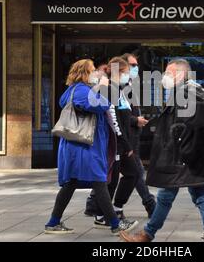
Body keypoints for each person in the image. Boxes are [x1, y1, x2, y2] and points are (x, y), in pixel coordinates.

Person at [120, 59, 204, 242]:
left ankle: (147, 234)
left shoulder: (184, 95)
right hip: (187, 157)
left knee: (166, 196)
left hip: (179, 158)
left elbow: (183, 127)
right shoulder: (185, 93)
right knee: (199, 195)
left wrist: (174, 150)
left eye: (168, 73)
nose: (164, 76)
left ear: (180, 75)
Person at [44, 59, 137, 235]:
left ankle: (53, 222)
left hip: (81, 146)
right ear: (84, 73)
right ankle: (115, 224)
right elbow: (99, 105)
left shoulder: (78, 90)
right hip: (83, 146)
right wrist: (103, 86)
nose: (96, 73)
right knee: (99, 182)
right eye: (92, 70)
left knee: (71, 184)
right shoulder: (80, 90)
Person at [92, 57, 140, 228]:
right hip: (115, 143)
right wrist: (125, 144)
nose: (129, 75)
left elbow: (122, 118)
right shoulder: (110, 89)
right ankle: (107, 212)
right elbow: (113, 120)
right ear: (119, 72)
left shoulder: (117, 89)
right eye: (127, 72)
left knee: (128, 175)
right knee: (117, 178)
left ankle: (109, 211)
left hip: (120, 142)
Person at [120, 53, 156, 217]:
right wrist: (136, 120)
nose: (136, 68)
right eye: (133, 65)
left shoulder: (128, 85)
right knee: (136, 173)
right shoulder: (120, 86)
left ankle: (95, 204)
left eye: (136, 65)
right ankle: (150, 204)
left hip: (132, 137)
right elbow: (118, 114)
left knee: (130, 173)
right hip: (126, 138)